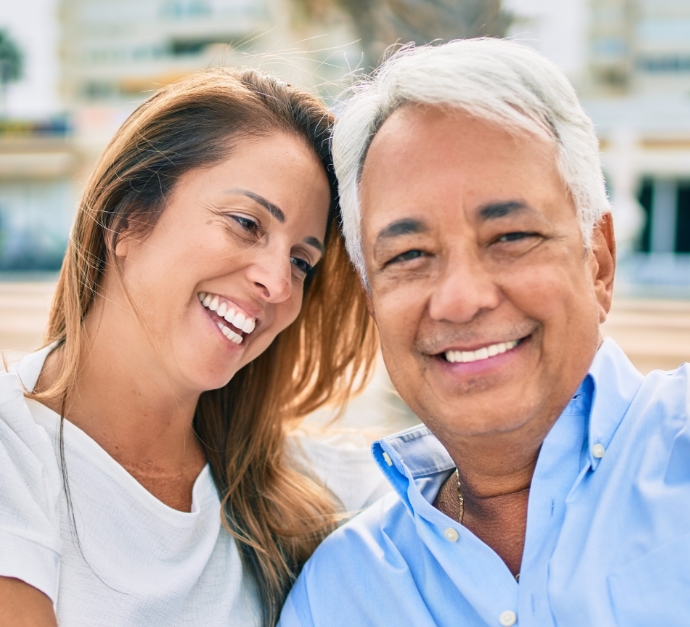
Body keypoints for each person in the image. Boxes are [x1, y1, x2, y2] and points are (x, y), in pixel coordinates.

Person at [279, 38, 690, 627]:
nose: (460, 299)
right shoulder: (341, 594)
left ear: (597, 262)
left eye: (511, 237)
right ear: (373, 302)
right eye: (409, 254)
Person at [0, 68, 386, 627]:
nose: (279, 285)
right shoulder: (14, 450)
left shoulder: (300, 491)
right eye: (246, 223)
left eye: (302, 262)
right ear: (127, 217)